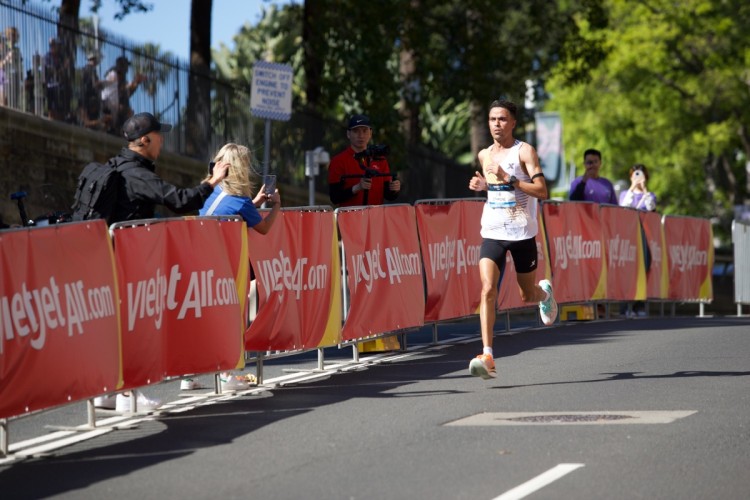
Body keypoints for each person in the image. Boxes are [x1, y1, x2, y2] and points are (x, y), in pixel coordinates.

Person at [93, 112, 230, 412]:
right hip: (128, 262)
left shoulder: (115, 166)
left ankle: (108, 392)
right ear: (144, 140)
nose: (163, 140)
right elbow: (179, 200)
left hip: (110, 258)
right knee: (135, 327)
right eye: (158, 135)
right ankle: (130, 395)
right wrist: (212, 182)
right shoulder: (137, 174)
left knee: (120, 326)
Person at [467, 99, 558, 380]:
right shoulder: (484, 155)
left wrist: (511, 179)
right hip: (493, 231)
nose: (497, 124)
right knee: (486, 290)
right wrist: (484, 186)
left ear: (513, 123)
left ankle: (544, 295)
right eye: (493, 119)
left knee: (526, 294)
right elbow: (495, 190)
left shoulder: (524, 151)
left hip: (521, 233)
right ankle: (488, 354)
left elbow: (542, 191)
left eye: (503, 119)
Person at [193, 142, 282, 392]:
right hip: (222, 264)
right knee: (228, 316)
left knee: (201, 317)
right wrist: (275, 206)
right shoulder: (239, 200)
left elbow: (228, 209)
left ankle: (190, 374)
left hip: (197, 260)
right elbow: (263, 228)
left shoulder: (208, 190)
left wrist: (253, 202)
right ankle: (225, 375)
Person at [328, 114, 401, 207]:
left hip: (376, 218)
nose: (361, 135)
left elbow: (388, 195)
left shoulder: (381, 160)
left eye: (365, 131)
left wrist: (395, 189)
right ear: (348, 134)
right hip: (349, 219)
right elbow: (334, 197)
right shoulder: (338, 161)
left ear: (370, 133)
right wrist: (357, 188)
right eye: (356, 131)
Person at [101, 56, 146, 136]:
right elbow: (120, 90)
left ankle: (121, 131)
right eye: (126, 66)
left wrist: (135, 83)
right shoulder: (114, 74)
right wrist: (135, 82)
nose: (127, 69)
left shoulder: (122, 78)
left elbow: (126, 94)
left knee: (128, 112)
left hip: (116, 104)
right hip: (108, 103)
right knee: (126, 112)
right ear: (121, 65)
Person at [78, 53, 109, 130]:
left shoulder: (87, 69)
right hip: (87, 96)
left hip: (88, 97)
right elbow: (94, 83)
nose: (94, 62)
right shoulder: (89, 69)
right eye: (93, 60)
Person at [0, 27, 22, 109]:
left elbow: (20, 65)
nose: (12, 37)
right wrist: (6, 59)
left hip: (15, 79)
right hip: (4, 78)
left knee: (14, 104)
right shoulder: (3, 47)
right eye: (10, 34)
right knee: (4, 102)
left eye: (14, 35)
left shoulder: (17, 50)